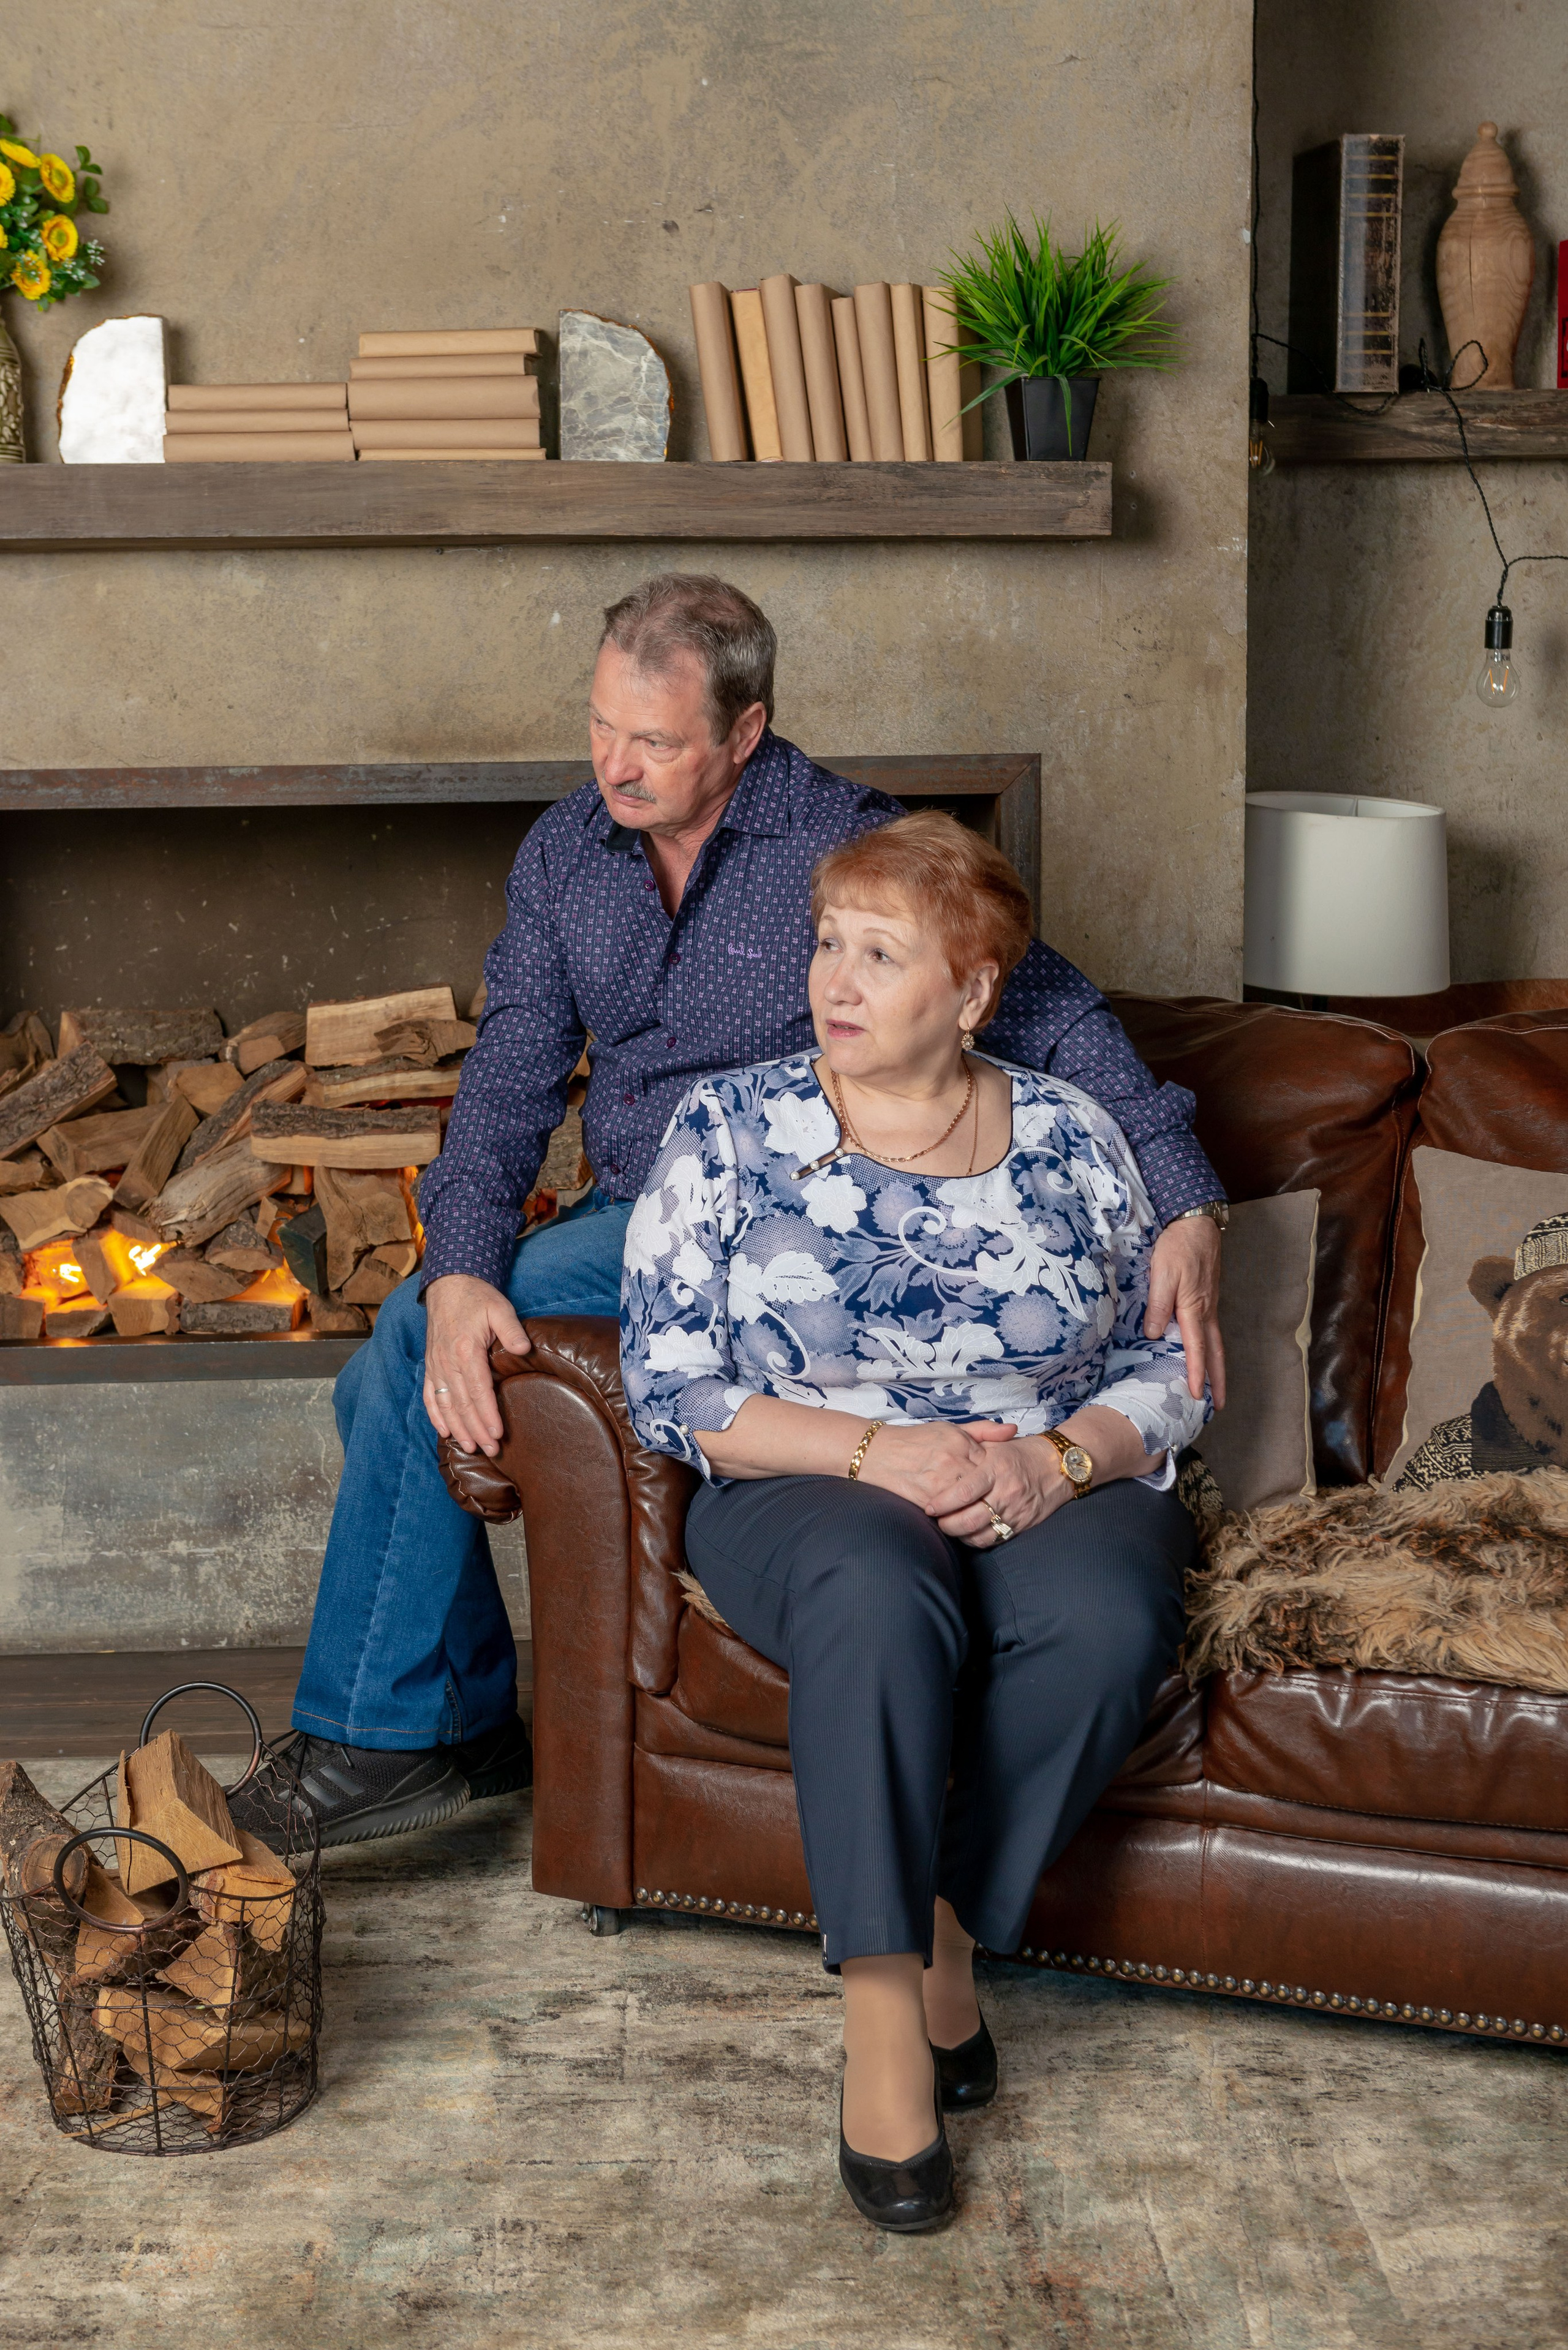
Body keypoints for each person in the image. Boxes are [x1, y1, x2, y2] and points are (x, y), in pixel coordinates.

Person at [239, 572, 1227, 1853]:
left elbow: (1049, 1014)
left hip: (780, 1225)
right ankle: (442, 1722)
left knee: (393, 1362)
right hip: (629, 1212)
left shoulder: (851, 847)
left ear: (744, 731)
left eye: (653, 739)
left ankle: (390, 1736)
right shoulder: (562, 853)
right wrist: (464, 1264)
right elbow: (506, 1079)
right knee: (423, 1341)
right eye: (599, 726)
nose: (615, 763)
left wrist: (1186, 1198)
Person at [620, 811, 1210, 2232]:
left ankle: (950, 1931)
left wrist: (1060, 1465)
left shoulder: (1070, 1134)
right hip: (807, 1478)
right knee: (877, 1590)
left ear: (973, 989)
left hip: (1036, 1471)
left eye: (881, 953)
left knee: (1111, 1612)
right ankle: (885, 2019)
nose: (836, 976)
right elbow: (668, 1374)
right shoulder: (729, 1126)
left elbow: (1163, 1367)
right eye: (829, 942)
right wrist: (881, 1451)